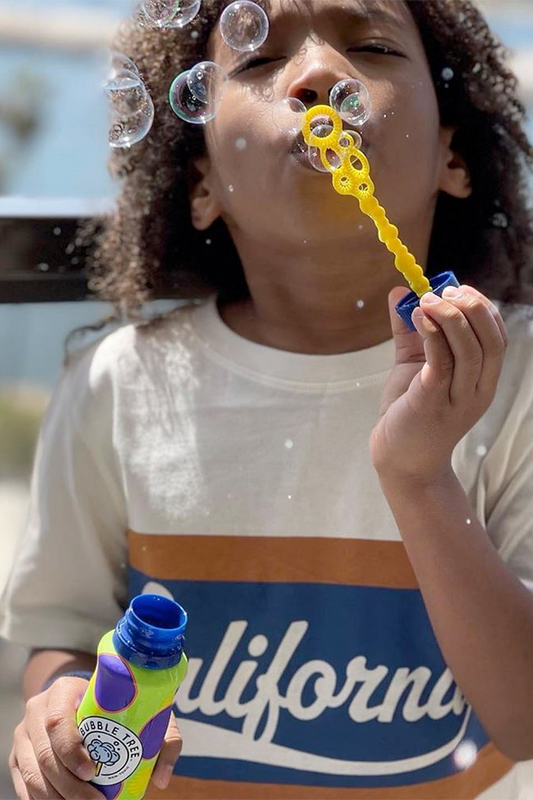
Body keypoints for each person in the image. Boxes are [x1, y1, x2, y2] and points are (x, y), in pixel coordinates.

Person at [2, 0, 533, 797]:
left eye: (371, 45)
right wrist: (62, 708)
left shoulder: (515, 376)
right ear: (200, 184)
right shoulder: (122, 384)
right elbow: (63, 634)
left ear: (451, 158)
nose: (320, 75)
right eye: (257, 62)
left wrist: (421, 478)